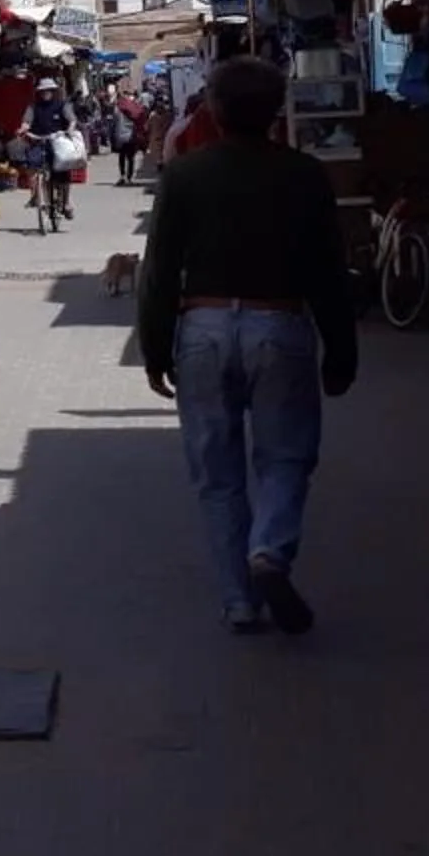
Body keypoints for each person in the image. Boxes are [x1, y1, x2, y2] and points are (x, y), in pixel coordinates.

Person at [136, 55, 357, 635]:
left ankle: (239, 600)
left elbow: (159, 271)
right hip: (279, 325)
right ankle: (270, 549)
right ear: (276, 110)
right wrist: (342, 351)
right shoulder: (304, 174)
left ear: (214, 108)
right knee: (286, 457)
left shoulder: (184, 175)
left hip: (202, 329)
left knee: (217, 473)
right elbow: (328, 271)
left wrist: (154, 349)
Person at [19, 77, 78, 219]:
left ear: (53, 91)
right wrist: (23, 129)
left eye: (48, 90)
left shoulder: (62, 105)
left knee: (63, 172)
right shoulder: (33, 107)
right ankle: (35, 195)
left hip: (58, 142)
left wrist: (70, 129)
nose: (45, 93)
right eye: (43, 91)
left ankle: (66, 202)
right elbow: (26, 122)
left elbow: (72, 120)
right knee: (32, 165)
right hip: (38, 141)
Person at [113, 88, 150, 185]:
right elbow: (141, 119)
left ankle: (122, 176)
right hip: (132, 136)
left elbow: (114, 122)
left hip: (121, 136)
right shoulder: (135, 108)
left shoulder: (118, 109)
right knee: (130, 157)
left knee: (122, 156)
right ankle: (129, 178)